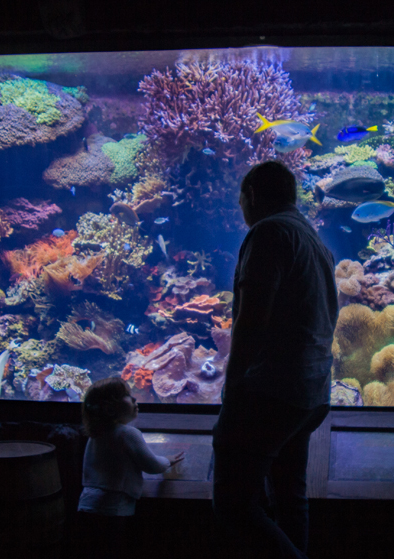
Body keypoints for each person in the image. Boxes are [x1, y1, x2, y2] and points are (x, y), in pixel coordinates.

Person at [212, 160, 338, 559]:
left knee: (234, 504)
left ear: (251, 195)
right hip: (311, 391)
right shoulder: (312, 238)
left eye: (241, 201)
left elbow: (250, 325)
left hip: (271, 392)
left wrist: (231, 398)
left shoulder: (268, 233)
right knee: (289, 499)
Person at [78, 377, 185, 559]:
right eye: (127, 396)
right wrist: (167, 460)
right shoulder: (128, 433)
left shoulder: (96, 434)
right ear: (110, 408)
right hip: (113, 507)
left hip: (87, 502)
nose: (134, 399)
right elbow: (151, 465)